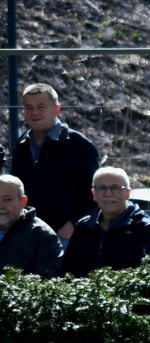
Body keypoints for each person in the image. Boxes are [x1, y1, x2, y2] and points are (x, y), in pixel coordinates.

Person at [10, 82, 99, 243]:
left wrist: (73, 225)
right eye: (29, 107)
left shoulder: (79, 145)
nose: (34, 112)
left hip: (67, 238)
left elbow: (96, 194)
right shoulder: (21, 145)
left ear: (57, 109)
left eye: (41, 106)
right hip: (29, 236)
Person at [59, 167, 150, 277]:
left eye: (115, 188)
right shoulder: (84, 227)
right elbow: (66, 273)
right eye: (102, 188)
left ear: (128, 193)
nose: (108, 194)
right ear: (94, 194)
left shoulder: (143, 228)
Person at [0, 174, 63, 277]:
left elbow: (48, 283)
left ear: (23, 201)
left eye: (7, 199)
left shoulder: (43, 235)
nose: (1, 206)